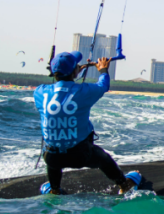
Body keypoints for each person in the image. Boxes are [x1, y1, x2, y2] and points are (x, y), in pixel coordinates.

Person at [35, 52, 140, 195]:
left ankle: (54, 189)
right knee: (103, 158)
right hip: (80, 156)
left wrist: (73, 72)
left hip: (52, 158)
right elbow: (103, 85)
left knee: (54, 149)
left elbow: (61, 93)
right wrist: (103, 70)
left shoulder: (39, 92)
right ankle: (124, 184)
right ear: (74, 71)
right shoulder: (83, 91)